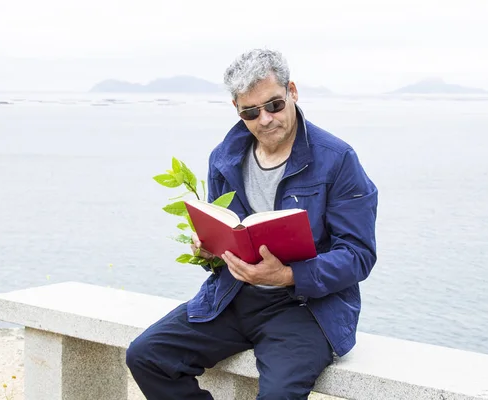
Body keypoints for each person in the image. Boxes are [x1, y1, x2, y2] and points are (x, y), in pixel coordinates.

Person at [126, 48, 378, 400]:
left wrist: (288, 275)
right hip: (233, 298)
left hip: (305, 309)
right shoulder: (224, 158)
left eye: (274, 105)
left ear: (292, 91)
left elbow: (358, 256)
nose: (265, 119)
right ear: (237, 109)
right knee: (146, 356)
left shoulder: (338, 160)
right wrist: (209, 250)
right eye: (250, 111)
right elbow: (229, 242)